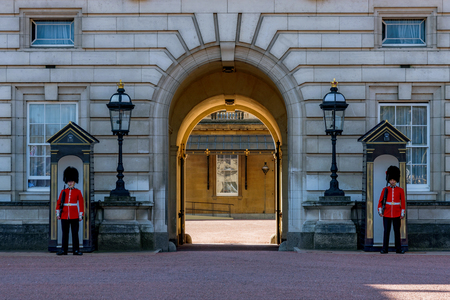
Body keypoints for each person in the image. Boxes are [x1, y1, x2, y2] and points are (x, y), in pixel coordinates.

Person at [56, 166, 84, 256]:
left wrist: (81, 214)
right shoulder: (63, 191)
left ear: (74, 182)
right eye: (69, 181)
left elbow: (81, 204)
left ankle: (76, 250)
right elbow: (59, 202)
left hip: (74, 214)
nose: (70, 183)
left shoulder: (78, 192)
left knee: (75, 233)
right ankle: (64, 250)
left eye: (71, 181)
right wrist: (58, 213)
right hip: (64, 214)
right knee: (65, 233)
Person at [378, 165, 406, 254]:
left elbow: (403, 202)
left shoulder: (400, 190)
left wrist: (402, 213)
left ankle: (398, 248)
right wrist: (380, 211)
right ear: (388, 180)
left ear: (396, 180)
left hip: (397, 213)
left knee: (397, 231)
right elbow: (380, 201)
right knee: (386, 231)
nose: (392, 181)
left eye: (394, 180)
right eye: (391, 180)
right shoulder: (385, 189)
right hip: (387, 212)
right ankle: (384, 248)